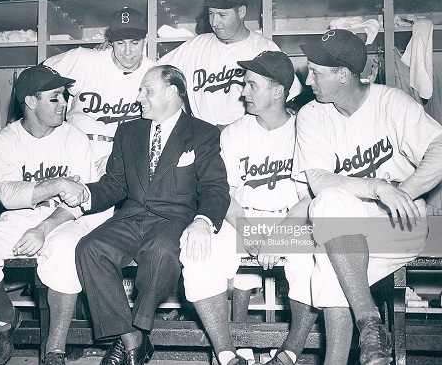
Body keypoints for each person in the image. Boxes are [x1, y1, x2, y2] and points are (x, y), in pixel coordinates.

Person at [60, 65, 230, 365]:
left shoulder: (202, 133)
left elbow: (215, 188)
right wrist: (86, 193)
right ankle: (131, 338)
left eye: (146, 90)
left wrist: (203, 222)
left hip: (173, 219)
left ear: (172, 93)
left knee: (162, 252)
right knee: (89, 248)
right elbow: (114, 184)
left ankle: (138, 328)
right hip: (131, 216)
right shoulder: (128, 131)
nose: (138, 97)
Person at [293, 29, 442, 365]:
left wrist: (403, 192)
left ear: (344, 75)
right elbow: (318, 180)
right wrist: (377, 187)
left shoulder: (391, 102)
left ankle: (360, 337)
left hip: (398, 225)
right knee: (328, 215)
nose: (308, 81)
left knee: (329, 252)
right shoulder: (312, 115)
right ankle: (370, 328)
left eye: (316, 72)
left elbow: (441, 147)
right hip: (343, 226)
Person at [0, 65, 96, 365]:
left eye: (64, 96)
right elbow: (8, 195)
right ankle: (7, 319)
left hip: (64, 220)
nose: (64, 104)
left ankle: (54, 350)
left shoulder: (76, 139)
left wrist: (43, 229)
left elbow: (78, 202)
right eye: (55, 98)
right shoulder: (6, 140)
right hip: (18, 218)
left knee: (66, 250)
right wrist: (56, 183)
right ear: (31, 102)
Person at [180, 51, 316, 365]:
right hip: (240, 220)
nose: (243, 92)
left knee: (314, 261)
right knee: (196, 250)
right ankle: (227, 355)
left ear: (278, 91)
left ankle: (289, 354)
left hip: (291, 223)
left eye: (252, 86)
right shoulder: (235, 132)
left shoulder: (304, 131)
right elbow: (222, 193)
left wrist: (278, 236)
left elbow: (309, 198)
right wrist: (250, 232)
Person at [159, 0, 303, 129]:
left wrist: (236, 129)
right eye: (211, 14)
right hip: (202, 139)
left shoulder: (264, 48)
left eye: (222, 15)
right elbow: (156, 74)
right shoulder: (195, 45)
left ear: (241, 12)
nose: (214, 22)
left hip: (247, 135)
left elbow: (286, 103)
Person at [44, 6, 157, 178]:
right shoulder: (85, 60)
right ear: (111, 41)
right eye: (120, 43)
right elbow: (35, 78)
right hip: (76, 149)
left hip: (130, 156)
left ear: (145, 40)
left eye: (134, 42)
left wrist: (119, 158)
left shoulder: (155, 73)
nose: (128, 52)